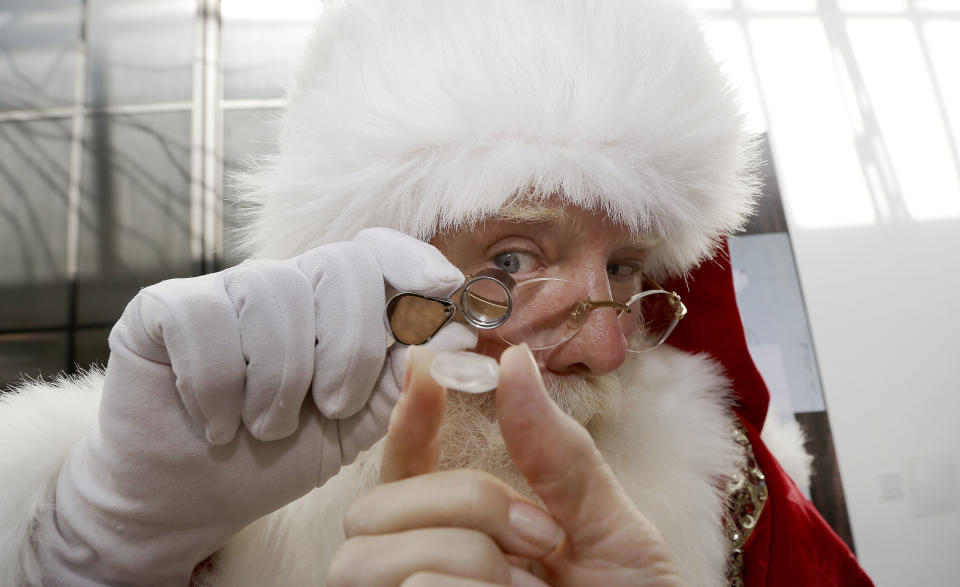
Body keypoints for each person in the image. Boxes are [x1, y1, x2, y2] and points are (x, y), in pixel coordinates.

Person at [0, 0, 873, 585]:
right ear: (369, 262)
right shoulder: (171, 479)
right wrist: (89, 555)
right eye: (518, 256)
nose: (607, 345)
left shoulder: (732, 500)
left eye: (623, 267)